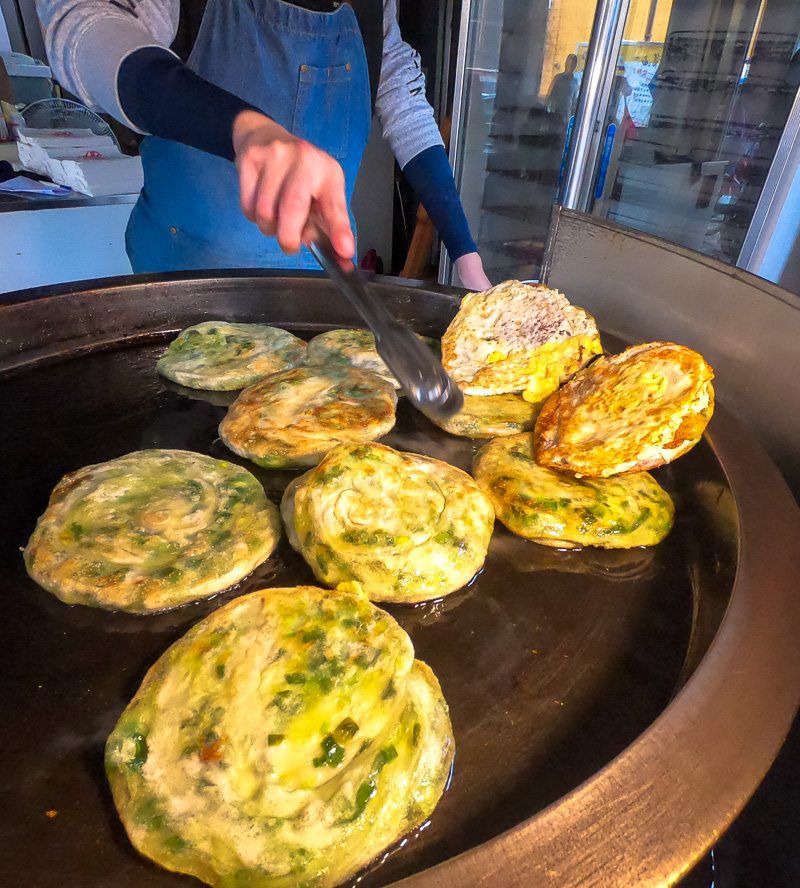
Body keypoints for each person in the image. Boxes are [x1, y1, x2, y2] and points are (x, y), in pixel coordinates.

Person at [37, 0, 491, 290]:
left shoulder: (377, 9)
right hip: (181, 285)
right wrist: (242, 129)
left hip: (321, 287)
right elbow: (81, 26)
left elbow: (407, 108)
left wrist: (465, 253)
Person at [546, 53, 579, 125]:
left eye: (573, 62)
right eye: (569, 61)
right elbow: (548, 96)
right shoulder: (557, 78)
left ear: (575, 65)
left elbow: (575, 100)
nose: (570, 64)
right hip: (555, 115)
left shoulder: (576, 82)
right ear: (565, 63)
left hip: (567, 118)